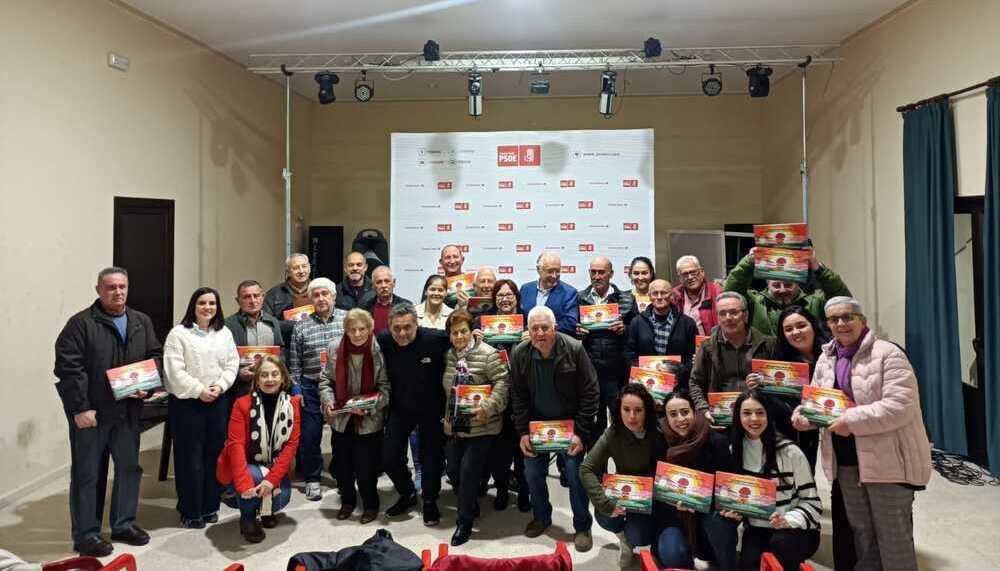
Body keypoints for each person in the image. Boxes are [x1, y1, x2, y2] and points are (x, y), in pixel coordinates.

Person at [793, 297, 931, 571]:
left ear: (862, 320)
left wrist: (849, 420)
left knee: (893, 538)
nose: (841, 324)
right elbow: (818, 401)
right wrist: (804, 416)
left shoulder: (888, 354)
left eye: (847, 317)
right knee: (863, 535)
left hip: (887, 462)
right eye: (834, 319)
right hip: (845, 461)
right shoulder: (826, 357)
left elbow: (900, 406)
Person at [54, 267, 163, 556]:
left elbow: (155, 356)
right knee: (87, 474)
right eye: (111, 287)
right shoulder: (80, 324)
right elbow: (68, 368)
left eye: (123, 287)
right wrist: (80, 408)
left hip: (128, 411)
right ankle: (86, 534)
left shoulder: (141, 321)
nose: (118, 292)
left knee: (129, 469)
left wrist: (148, 387)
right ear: (99, 290)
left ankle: (123, 524)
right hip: (93, 413)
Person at [765, 306, 854, 569]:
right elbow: (773, 400)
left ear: (814, 325)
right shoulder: (780, 359)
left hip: (839, 432)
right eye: (788, 329)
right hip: (796, 430)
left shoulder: (833, 354)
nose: (795, 332)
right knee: (800, 480)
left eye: (801, 325)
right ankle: (797, 525)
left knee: (839, 491)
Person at [511, 306, 599, 552]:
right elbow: (517, 396)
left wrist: (581, 433)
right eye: (534, 329)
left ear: (555, 328)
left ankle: (582, 526)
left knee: (574, 473)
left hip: (571, 426)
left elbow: (591, 392)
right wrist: (523, 432)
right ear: (528, 331)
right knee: (532, 473)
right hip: (536, 426)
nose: (539, 333)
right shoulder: (520, 353)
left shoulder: (574, 349)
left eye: (544, 328)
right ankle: (542, 516)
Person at [163, 287, 240, 528]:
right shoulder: (178, 334)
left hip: (218, 401)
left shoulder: (224, 333)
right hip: (187, 404)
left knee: (214, 456)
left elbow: (232, 363)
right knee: (189, 458)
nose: (207, 307)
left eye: (212, 303)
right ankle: (190, 510)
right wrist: (199, 390)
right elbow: (174, 371)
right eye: (202, 303)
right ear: (193, 307)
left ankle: (209, 506)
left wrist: (220, 386)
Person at [728, 390, 821, 571]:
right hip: (757, 528)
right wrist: (733, 512)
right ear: (738, 417)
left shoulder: (790, 452)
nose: (754, 418)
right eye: (747, 413)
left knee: (781, 546)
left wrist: (788, 519)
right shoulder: (734, 451)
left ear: (768, 416)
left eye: (760, 412)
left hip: (796, 529)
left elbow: (813, 503)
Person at [378, 304, 451, 525]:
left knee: (431, 459)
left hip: (431, 408)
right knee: (388, 457)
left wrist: (476, 332)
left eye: (407, 327)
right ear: (389, 327)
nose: (402, 333)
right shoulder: (383, 340)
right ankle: (407, 493)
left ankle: (429, 501)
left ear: (416, 325)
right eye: (397, 328)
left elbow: (460, 335)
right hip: (400, 408)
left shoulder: (434, 338)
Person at [442, 310, 510, 546]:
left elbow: (503, 382)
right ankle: (469, 504)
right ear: (449, 336)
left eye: (463, 331)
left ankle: (465, 522)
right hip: (456, 425)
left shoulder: (488, 354)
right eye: (454, 333)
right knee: (453, 471)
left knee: (469, 472)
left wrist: (489, 407)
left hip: (482, 424)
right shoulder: (449, 356)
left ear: (472, 332)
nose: (459, 336)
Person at [217, 355, 300, 543]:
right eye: (264, 375)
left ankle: (264, 510)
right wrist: (244, 485)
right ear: (256, 380)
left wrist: (272, 480)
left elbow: (291, 445)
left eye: (274, 374)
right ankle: (247, 518)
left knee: (283, 497)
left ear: (283, 378)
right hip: (244, 466)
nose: (270, 379)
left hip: (272, 465)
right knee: (254, 477)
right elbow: (235, 446)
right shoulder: (242, 404)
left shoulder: (293, 404)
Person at [318, 309, 390, 524]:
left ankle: (370, 504)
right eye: (352, 330)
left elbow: (386, 386)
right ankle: (347, 501)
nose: (357, 334)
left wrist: (368, 406)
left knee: (366, 466)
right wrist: (328, 401)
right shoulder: (334, 347)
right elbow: (325, 381)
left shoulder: (380, 350)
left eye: (362, 329)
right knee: (343, 464)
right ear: (345, 331)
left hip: (368, 418)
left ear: (370, 329)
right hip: (341, 417)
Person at [580, 384, 662, 568]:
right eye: (626, 409)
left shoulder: (658, 432)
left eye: (638, 410)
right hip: (622, 491)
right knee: (604, 515)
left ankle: (636, 539)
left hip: (651, 496)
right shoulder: (613, 432)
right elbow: (586, 468)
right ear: (619, 410)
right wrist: (603, 501)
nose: (632, 416)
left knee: (640, 534)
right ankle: (624, 541)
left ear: (646, 411)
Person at [656, 391, 738, 571]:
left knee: (718, 526)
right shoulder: (659, 442)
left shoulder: (716, 442)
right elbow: (655, 492)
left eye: (685, 412)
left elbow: (729, 489)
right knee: (673, 553)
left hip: (711, 516)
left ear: (694, 412)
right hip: (674, 518)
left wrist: (703, 503)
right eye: (673, 414)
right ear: (666, 417)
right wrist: (672, 503)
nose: (680, 419)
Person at [288, 277, 347, 501]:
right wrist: (297, 391)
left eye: (325, 294)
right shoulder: (301, 325)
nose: (321, 298)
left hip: (339, 386)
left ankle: (342, 476)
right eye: (316, 295)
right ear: (311, 299)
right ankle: (312, 479)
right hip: (310, 387)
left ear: (333, 296)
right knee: (310, 436)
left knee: (341, 435)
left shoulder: (346, 319)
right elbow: (294, 363)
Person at [475, 279, 531, 512]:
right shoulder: (482, 321)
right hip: (495, 391)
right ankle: (501, 489)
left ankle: (525, 492)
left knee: (524, 447)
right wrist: (474, 339)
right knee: (499, 448)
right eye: (500, 296)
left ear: (517, 297)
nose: (505, 299)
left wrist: (532, 338)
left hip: (523, 391)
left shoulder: (528, 320)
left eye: (509, 295)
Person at [723, 248, 852, 336]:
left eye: (788, 284)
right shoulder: (755, 303)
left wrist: (818, 269)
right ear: (767, 283)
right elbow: (730, 294)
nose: (782, 289)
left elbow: (843, 300)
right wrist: (748, 262)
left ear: (798, 283)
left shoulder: (814, 303)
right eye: (776, 285)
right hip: (767, 367)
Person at [688, 292, 775, 415]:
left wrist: (764, 383)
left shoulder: (768, 344)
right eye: (722, 313)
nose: (728, 318)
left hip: (758, 415)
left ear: (745, 315)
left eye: (734, 312)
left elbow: (779, 385)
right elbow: (695, 382)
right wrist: (703, 409)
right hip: (720, 416)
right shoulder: (707, 347)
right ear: (717, 318)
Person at [577, 256, 634, 431]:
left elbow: (638, 330)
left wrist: (625, 329)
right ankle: (595, 458)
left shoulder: (627, 298)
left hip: (617, 372)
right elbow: (570, 327)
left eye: (601, 272)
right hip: (589, 370)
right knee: (594, 423)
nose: (597, 276)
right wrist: (577, 331)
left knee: (622, 420)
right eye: (593, 272)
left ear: (611, 274)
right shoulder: (579, 298)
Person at [624, 279, 698, 388]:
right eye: (655, 293)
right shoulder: (637, 322)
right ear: (649, 296)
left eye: (664, 293)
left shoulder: (687, 323)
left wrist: (679, 373)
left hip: (678, 385)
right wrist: (642, 371)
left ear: (672, 295)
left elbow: (693, 356)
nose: (659, 297)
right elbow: (629, 353)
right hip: (645, 383)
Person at [224, 280, 285, 405]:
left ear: (263, 297)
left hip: (270, 389)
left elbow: (281, 352)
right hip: (240, 391)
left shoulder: (273, 322)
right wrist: (238, 374)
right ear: (238, 300)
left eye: (256, 296)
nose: (252, 301)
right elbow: (221, 360)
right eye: (247, 297)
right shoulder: (228, 325)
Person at [519, 252, 579, 335]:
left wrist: (538, 332)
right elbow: (520, 318)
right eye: (550, 271)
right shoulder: (525, 289)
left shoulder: (570, 293)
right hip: (527, 344)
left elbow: (570, 323)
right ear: (538, 270)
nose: (554, 276)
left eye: (557, 271)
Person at [264, 253, 313, 342]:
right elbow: (267, 323)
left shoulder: (319, 290)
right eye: (296, 268)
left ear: (309, 268)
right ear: (288, 272)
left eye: (304, 266)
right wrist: (292, 325)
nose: (301, 271)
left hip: (314, 343)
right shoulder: (274, 294)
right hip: (286, 345)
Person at [673, 255, 723, 336]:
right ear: (680, 278)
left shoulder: (716, 291)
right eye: (685, 274)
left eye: (693, 272)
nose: (690, 277)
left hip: (711, 343)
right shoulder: (675, 295)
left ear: (702, 272)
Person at [359, 265, 411, 334]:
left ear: (394, 283)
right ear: (373, 286)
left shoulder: (407, 306)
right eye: (379, 282)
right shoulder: (364, 308)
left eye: (387, 281)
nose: (383, 285)